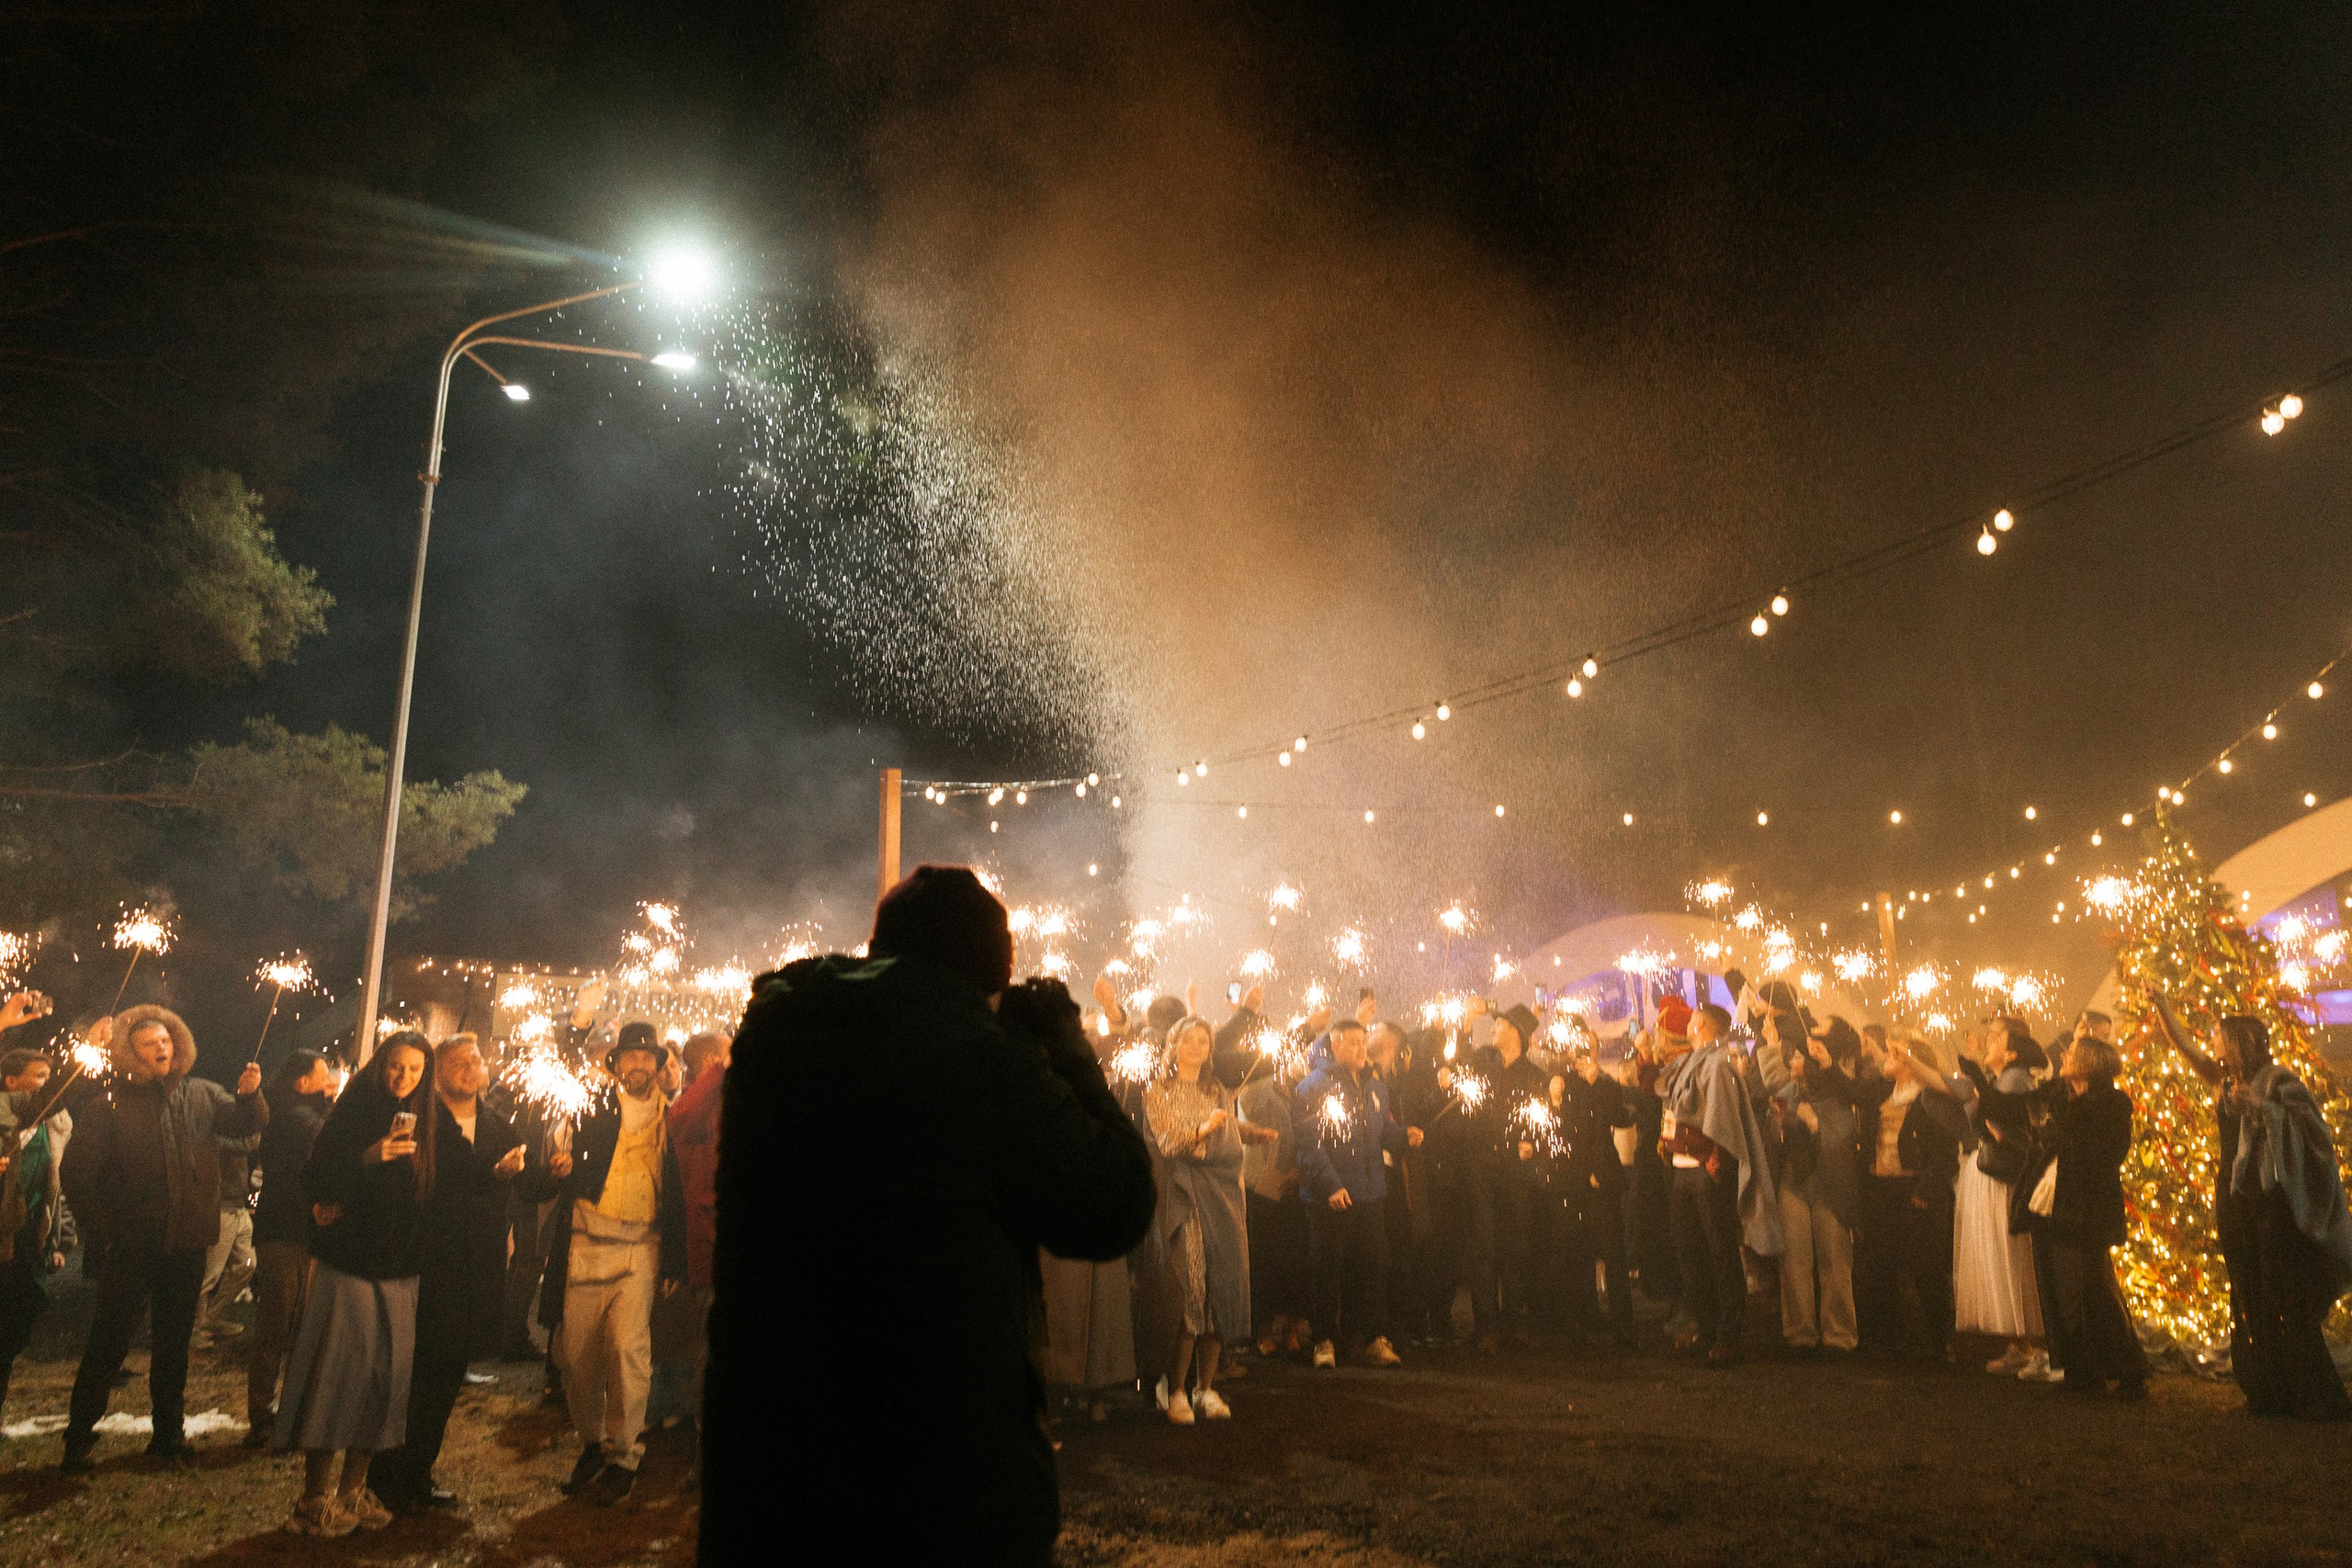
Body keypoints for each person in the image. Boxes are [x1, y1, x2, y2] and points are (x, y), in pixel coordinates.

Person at [706, 864, 1155, 1565]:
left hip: (774, 1470)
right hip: (940, 1482)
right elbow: (1114, 1202)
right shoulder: (977, 1058)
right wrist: (1066, 1047)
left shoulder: (775, 1040)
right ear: (992, 969)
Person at [59, 1005, 266, 1471]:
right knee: (108, 1344)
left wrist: (250, 1097)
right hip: (131, 1247)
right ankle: (77, 1442)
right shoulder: (107, 1105)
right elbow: (77, 1174)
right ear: (130, 1052)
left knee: (173, 1345)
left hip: (188, 1245)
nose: (162, 1048)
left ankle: (168, 1437)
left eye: (167, 1041)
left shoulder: (204, 1094)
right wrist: (106, 1233)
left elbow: (245, 1125)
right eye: (150, 1043)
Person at [373, 1033, 551, 1513]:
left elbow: (528, 1181)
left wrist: (555, 1172)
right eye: (458, 1060)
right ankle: (382, 1474)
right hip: (424, 1261)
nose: (471, 1067)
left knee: (447, 1372)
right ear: (438, 1070)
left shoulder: (497, 1122)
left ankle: (418, 1473)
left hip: (477, 1265)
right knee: (410, 1372)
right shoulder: (422, 1118)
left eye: (477, 1058)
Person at [2152, 998, 2348, 1418]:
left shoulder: (2279, 1081)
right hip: (2233, 1194)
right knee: (2247, 1290)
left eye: (2219, 1036)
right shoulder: (2224, 1080)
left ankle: (2313, 1396)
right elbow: (2187, 1050)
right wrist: (2164, 1009)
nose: (2212, 1041)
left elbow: (2314, 1132)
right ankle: (2265, 1391)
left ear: (2238, 1041)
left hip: (2270, 1201)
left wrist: (2262, 1108)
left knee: (2282, 1290)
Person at [273, 1031, 435, 1536]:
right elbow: (316, 1177)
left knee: (382, 1382)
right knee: (339, 1376)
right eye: (395, 1067)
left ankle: (352, 1491)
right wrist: (370, 1157)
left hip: (402, 1267)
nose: (403, 1078)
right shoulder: (354, 1110)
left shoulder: (429, 1119)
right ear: (379, 1065)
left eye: (413, 1069)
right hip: (352, 1264)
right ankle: (314, 1497)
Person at [546, 1021, 687, 1506]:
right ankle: (592, 1444)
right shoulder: (593, 1106)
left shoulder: (674, 1114)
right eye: (630, 1057)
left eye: (648, 1057)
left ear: (658, 1064)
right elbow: (559, 1096)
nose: (639, 1065)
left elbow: (679, 1192)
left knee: (628, 1352)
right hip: (587, 1240)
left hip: (642, 1247)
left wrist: (675, 1260)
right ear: (617, 1063)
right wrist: (559, 1165)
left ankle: (626, 1453)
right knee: (578, 1356)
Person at [2010, 1031, 2148, 1399]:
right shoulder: (2060, 1096)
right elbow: (2018, 1109)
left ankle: (2123, 1368)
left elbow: (2102, 1154)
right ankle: (2076, 1369)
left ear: (2089, 1062)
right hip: (2048, 1205)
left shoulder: (2111, 1103)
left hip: (2083, 1210)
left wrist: (2056, 1124)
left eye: (2071, 1053)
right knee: (2055, 1293)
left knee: (2090, 1293)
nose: (2064, 1056)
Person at [1143, 1016, 1260, 1422]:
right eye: (1188, 1040)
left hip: (1221, 1199)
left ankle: (1205, 1388)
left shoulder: (1219, 1091)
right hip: (1182, 1201)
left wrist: (1207, 1144)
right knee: (1190, 1286)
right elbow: (1167, 1141)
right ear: (1173, 1045)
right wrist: (1201, 1129)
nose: (1197, 1047)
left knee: (1218, 1286)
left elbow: (1230, 1148)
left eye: (1203, 1042)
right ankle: (1174, 1389)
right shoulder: (1158, 1091)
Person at [1656, 1002, 1780, 1364]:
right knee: (1691, 1254)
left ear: (1703, 1025)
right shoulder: (1687, 1063)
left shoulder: (1720, 1064)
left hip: (1707, 1172)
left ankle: (1728, 1335)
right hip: (1682, 1169)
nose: (1689, 1021)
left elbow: (1725, 1123)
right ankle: (1706, 1327)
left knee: (1721, 1253)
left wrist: (1717, 1161)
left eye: (1694, 1017)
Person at [1295, 1017, 1419, 1368]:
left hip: (1370, 1194)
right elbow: (1309, 1146)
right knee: (1327, 1268)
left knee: (1374, 1266)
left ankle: (1369, 1337)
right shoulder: (1312, 1087)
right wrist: (1331, 1186)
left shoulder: (1375, 1088)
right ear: (1334, 1046)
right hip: (1331, 1198)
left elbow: (1382, 1133)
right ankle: (1322, 1340)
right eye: (1352, 1043)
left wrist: (1403, 1135)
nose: (1361, 1049)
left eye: (1363, 1043)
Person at [1848, 1028, 1965, 1360]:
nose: (1887, 1058)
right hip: (1881, 1187)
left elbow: (1944, 1151)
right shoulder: (1883, 1093)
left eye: (1894, 1055)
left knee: (1927, 1267)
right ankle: (1886, 1338)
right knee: (1880, 1265)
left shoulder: (1931, 1098)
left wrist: (1926, 1188)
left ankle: (1942, 1339)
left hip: (1916, 1189)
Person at [247, 1049, 335, 1443]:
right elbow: (331, 1144)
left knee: (293, 1326)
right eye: (324, 1074)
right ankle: (264, 1418)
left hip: (293, 1229)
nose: (331, 1078)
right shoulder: (297, 1118)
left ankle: (289, 1412)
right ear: (303, 1083)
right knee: (278, 1326)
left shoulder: (296, 1112)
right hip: (287, 1231)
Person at [1953, 1017, 2049, 1377]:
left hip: (2009, 1178)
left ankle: (2038, 1345)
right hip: (1994, 1175)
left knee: (2016, 1259)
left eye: (1995, 1035)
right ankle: (2021, 1344)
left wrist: (1976, 1081)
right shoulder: (2001, 1079)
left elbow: (2005, 1123)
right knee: (2005, 1258)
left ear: (2011, 1051)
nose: (1986, 1038)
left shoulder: (2016, 1079)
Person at [650, 1030, 727, 1443]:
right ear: (714, 1059)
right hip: (710, 1244)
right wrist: (718, 1071)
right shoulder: (692, 1109)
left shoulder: (721, 1102)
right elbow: (680, 1122)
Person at [1773, 1019, 1862, 1355]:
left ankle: (1839, 1333)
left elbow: (1841, 1140)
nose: (1793, 1062)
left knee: (1834, 1259)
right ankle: (1800, 1332)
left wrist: (1814, 1126)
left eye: (1798, 1057)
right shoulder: (1785, 1096)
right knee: (1794, 1261)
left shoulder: (1837, 1096)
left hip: (1830, 1185)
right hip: (1793, 1182)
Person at [1465, 1003, 1546, 1352]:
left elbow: (1541, 1120)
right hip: (1481, 1167)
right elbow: (1454, 1059)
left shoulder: (1535, 1076)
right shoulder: (1483, 1062)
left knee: (1517, 1245)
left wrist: (1532, 1142)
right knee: (1483, 1247)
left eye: (1499, 1024)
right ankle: (1486, 1328)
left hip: (1515, 1170)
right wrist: (1467, 1019)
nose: (1493, 1029)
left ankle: (1515, 1322)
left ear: (1516, 1031)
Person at [0, 1041, 72, 1420]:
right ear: (11, 1081)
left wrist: (56, 1242)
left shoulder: (54, 1125)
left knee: (14, 1322)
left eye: (49, 1077)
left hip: (28, 1236)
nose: (47, 1086)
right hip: (1, 1234)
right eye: (39, 1078)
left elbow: (54, 1187)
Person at [1550, 1043, 1637, 1346]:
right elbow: (1560, 1126)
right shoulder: (1561, 1081)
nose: (1582, 1056)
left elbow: (1619, 1116)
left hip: (1602, 1178)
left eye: (1589, 1048)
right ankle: (1581, 1320)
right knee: (1575, 1251)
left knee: (1613, 1251)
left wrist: (1595, 1083)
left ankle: (1623, 1324)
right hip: (1571, 1177)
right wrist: (1556, 1098)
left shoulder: (1604, 1084)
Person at [1237, 1028, 1304, 1355]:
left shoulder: (1292, 1087)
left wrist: (1299, 1170)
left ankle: (1289, 1327)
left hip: (1291, 1185)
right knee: (1264, 1260)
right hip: (1261, 1187)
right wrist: (1265, 1059)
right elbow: (1249, 1098)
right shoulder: (1257, 1090)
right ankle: (1262, 1329)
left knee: (1292, 1260)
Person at [192, 1126, 259, 1349]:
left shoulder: (235, 1132)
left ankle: (211, 1318)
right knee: (210, 1273)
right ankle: (192, 1328)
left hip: (238, 1207)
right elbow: (245, 1145)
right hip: (222, 1208)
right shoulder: (215, 1132)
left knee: (247, 1264)